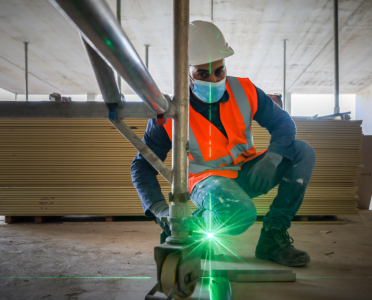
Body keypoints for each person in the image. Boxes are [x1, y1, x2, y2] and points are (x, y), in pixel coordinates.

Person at [131, 20, 316, 267]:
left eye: (219, 70)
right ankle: (181, 232)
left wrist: (272, 158)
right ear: (186, 71)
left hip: (247, 172)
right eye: (202, 73)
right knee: (240, 215)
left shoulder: (245, 90)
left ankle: (273, 238)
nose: (214, 79)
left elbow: (283, 123)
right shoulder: (171, 112)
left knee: (302, 151)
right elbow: (141, 167)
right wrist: (161, 210)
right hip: (207, 183)